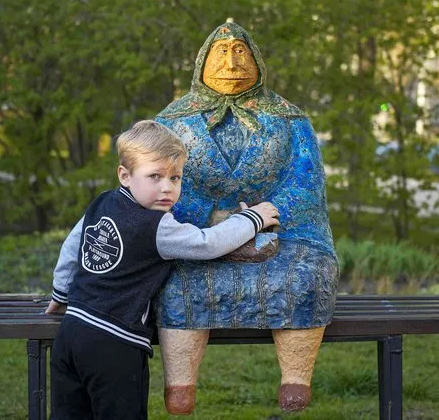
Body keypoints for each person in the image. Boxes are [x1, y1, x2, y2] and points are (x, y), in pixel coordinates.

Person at [154, 21, 339, 413]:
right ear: (203, 62)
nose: (232, 62)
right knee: (175, 279)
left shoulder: (291, 120)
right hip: (196, 233)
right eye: (222, 52)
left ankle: (295, 378)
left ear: (256, 61)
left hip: (285, 233)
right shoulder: (170, 123)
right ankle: (180, 384)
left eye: (241, 51)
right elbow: (156, 186)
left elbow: (306, 185)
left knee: (304, 276)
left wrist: (267, 216)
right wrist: (212, 216)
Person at [45, 120, 279, 420]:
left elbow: (71, 247)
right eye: (154, 176)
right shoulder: (156, 226)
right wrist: (251, 219)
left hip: (71, 333)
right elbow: (207, 244)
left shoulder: (101, 202)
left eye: (176, 177)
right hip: (114, 343)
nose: (167, 187)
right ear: (125, 175)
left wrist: (61, 292)